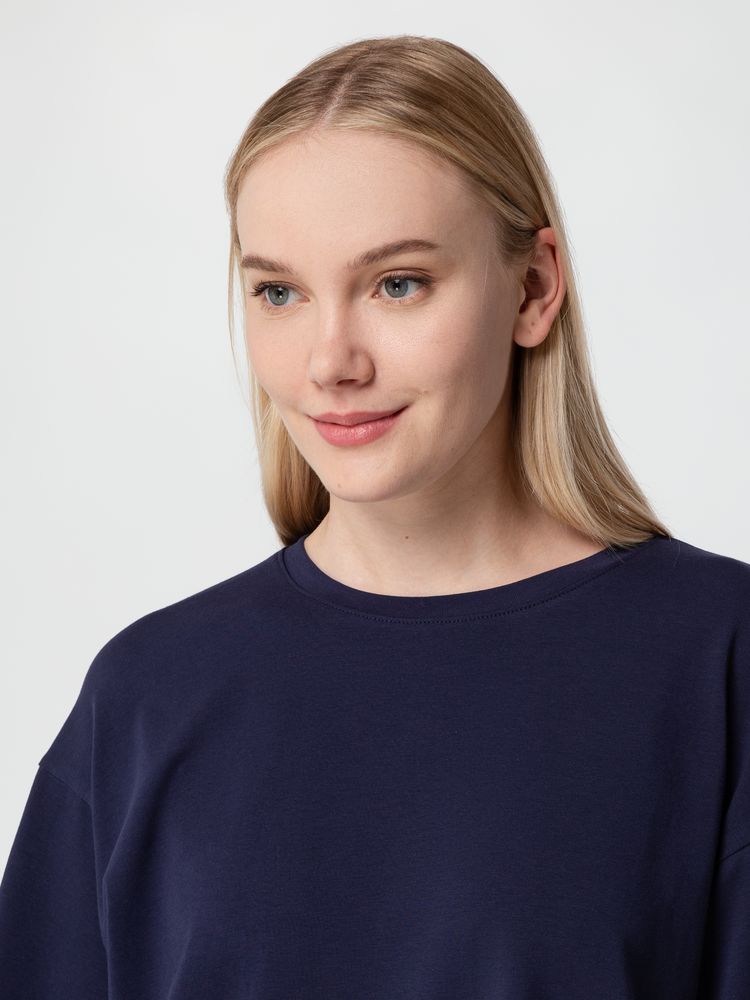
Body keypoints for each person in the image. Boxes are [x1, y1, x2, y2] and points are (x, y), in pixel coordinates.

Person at [1, 33, 748, 1000]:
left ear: (533, 288)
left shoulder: (716, 657)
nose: (331, 362)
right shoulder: (147, 696)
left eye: (398, 284)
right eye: (279, 292)